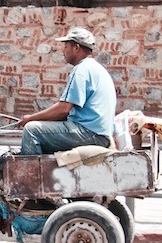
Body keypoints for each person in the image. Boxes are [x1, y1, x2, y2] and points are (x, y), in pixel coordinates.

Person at [18, 27, 116, 155]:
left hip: (89, 133)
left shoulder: (81, 70)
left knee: (32, 130)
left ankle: (31, 174)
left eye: (66, 46)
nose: (64, 51)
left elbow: (64, 109)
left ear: (76, 48)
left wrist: (30, 118)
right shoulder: (96, 68)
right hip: (99, 134)